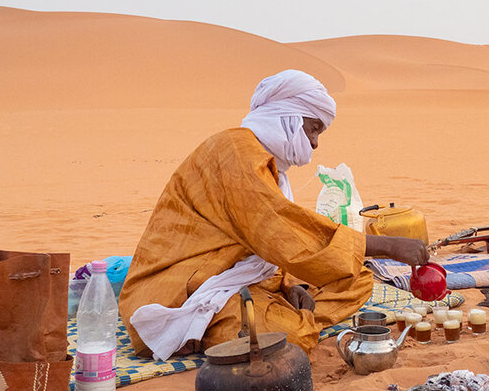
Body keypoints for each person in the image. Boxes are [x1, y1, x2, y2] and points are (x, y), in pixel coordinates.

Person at [121, 69, 429, 360]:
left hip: (233, 277)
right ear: (290, 117)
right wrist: (387, 246)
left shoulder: (264, 161)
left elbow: (267, 242)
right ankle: (232, 326)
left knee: (358, 279)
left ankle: (277, 312)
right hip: (181, 289)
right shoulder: (235, 153)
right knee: (289, 338)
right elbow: (280, 231)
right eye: (314, 128)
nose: (315, 142)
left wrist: (289, 286)